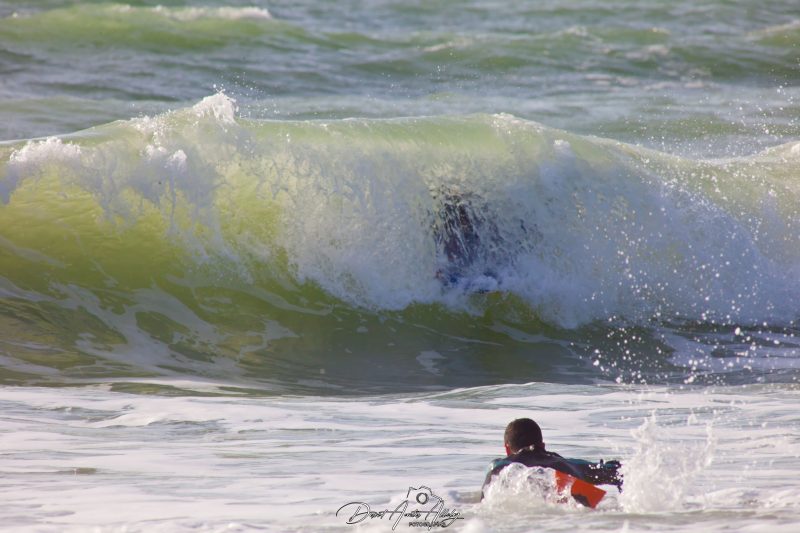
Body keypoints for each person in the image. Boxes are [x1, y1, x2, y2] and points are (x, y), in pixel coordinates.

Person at [481, 418, 622, 505]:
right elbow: (618, 472)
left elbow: (484, 503)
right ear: (542, 445)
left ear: (507, 449)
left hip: (524, 501)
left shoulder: (499, 466)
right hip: (569, 484)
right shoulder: (568, 464)